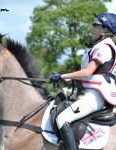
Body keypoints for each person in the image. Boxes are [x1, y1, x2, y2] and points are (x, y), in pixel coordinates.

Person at [50, 12, 116, 150]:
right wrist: (67, 78)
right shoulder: (102, 45)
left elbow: (87, 72)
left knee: (61, 119)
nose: (93, 28)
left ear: (105, 30)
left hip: (96, 97)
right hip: (93, 94)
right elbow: (90, 76)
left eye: (96, 25)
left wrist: (62, 76)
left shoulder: (104, 47)